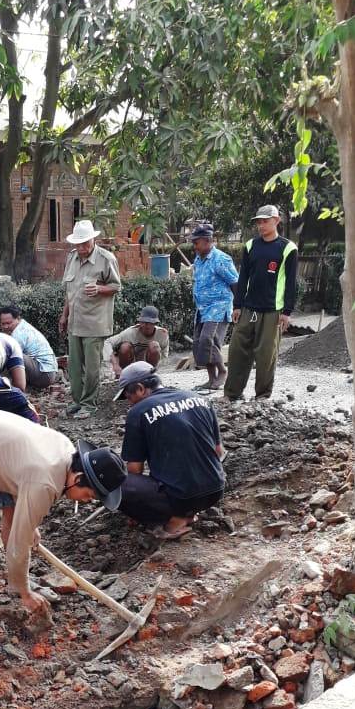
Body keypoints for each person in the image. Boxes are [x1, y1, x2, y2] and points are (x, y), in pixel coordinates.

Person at [0, 409, 126, 663]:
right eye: (89, 496)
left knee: (13, 512)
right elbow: (18, 547)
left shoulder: (65, 453)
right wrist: (25, 593)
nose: (87, 502)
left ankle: (18, 583)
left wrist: (28, 523)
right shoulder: (44, 483)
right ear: (77, 478)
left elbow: (23, 490)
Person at [114, 361, 225, 539]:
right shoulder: (200, 399)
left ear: (141, 389)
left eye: (128, 397)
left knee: (115, 483)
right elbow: (218, 452)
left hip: (181, 498)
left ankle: (175, 521)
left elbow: (135, 470)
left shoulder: (139, 412)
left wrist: (139, 507)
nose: (129, 403)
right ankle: (189, 509)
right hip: (215, 490)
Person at [224, 204, 298, 402]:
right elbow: (243, 277)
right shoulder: (251, 246)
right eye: (258, 222)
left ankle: (263, 396)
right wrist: (237, 305)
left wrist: (287, 312)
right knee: (238, 350)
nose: (261, 225)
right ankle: (232, 393)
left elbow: (291, 282)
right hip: (248, 308)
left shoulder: (288, 248)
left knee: (266, 356)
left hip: (273, 311)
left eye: (265, 221)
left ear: (276, 221)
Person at [59, 220, 121, 418]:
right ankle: (77, 401)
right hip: (74, 322)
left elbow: (116, 287)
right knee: (75, 367)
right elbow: (71, 291)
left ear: (93, 239)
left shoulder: (106, 258)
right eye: (78, 244)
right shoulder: (72, 258)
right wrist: (64, 315)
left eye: (85, 243)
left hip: (95, 322)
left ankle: (89, 404)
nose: (82, 248)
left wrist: (100, 289)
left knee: (92, 368)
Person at [190, 223, 238, 392]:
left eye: (197, 242)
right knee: (199, 343)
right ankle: (211, 379)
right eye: (193, 242)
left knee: (208, 340)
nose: (194, 245)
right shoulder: (198, 259)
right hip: (202, 308)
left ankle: (223, 371)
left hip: (219, 307)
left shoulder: (221, 259)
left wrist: (238, 307)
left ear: (209, 240)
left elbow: (235, 282)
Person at [0, 305, 59, 389]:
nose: (5, 327)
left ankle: (9, 387)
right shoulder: (22, 325)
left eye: (9, 323)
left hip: (45, 374)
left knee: (11, 354)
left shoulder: (19, 333)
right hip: (44, 371)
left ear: (18, 319)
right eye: (3, 324)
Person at [106, 305, 169, 377]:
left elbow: (164, 356)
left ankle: (150, 374)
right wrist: (115, 365)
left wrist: (157, 368)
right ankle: (124, 374)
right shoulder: (130, 332)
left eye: (150, 323)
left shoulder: (162, 334)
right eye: (144, 322)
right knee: (125, 347)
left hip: (148, 366)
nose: (146, 325)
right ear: (140, 322)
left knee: (154, 345)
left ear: (155, 323)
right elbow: (108, 342)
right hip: (130, 364)